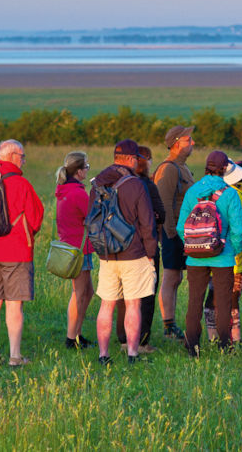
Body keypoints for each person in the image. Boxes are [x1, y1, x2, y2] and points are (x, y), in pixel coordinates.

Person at [92, 140, 157, 365]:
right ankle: (132, 352)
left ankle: (103, 354)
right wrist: (151, 252)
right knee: (133, 304)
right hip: (134, 252)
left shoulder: (97, 181)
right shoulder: (136, 184)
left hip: (106, 253)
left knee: (106, 304)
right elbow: (147, 222)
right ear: (131, 159)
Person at [0, 139, 44, 367]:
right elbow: (36, 217)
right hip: (16, 251)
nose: (24, 160)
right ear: (13, 156)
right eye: (22, 156)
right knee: (14, 305)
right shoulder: (21, 184)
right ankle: (15, 356)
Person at [177, 150, 242, 356]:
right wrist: (234, 248)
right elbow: (238, 229)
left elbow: (181, 227)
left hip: (195, 257)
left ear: (206, 166)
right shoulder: (230, 193)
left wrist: (194, 244)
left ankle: (192, 347)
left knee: (194, 302)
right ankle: (225, 346)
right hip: (223, 256)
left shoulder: (192, 192)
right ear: (225, 169)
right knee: (223, 303)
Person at [114, 145, 164, 353]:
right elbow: (160, 214)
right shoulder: (146, 185)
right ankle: (141, 341)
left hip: (116, 245)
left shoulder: (115, 183)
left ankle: (122, 338)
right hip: (142, 247)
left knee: (121, 296)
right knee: (145, 295)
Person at [154, 125, 194, 341]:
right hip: (174, 233)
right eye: (189, 140)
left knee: (177, 277)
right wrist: (170, 234)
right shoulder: (169, 168)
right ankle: (168, 325)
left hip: (184, 233)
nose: (193, 143)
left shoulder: (183, 167)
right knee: (171, 277)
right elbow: (164, 204)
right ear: (177, 143)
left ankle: (172, 324)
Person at [55, 151, 94, 349]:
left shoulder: (64, 190)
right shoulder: (78, 193)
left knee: (88, 291)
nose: (87, 171)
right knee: (79, 293)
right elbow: (92, 215)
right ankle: (72, 338)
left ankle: (77, 333)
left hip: (73, 246)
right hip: (80, 249)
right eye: (86, 167)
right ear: (79, 171)